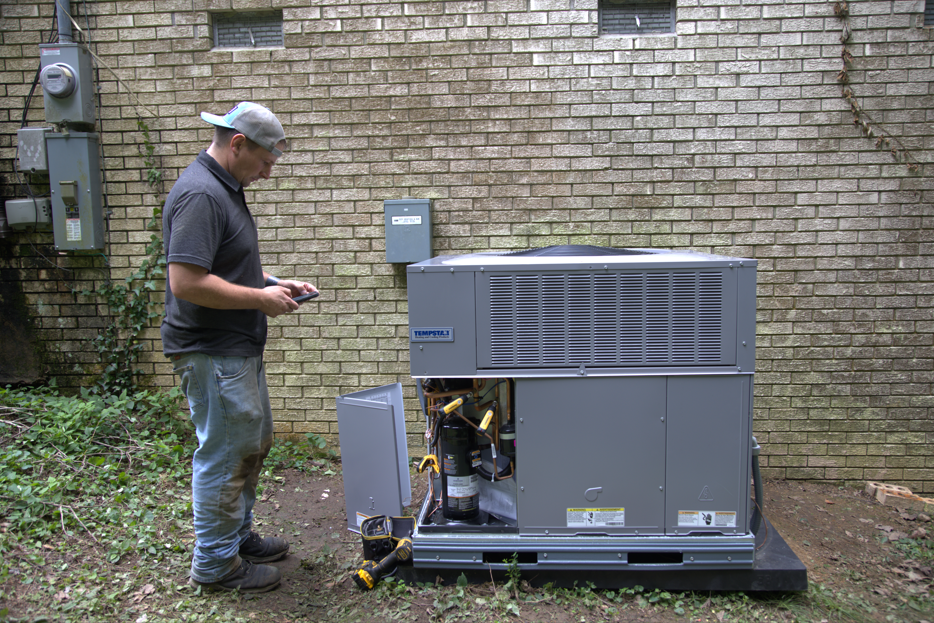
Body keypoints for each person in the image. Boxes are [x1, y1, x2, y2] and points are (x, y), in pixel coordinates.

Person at [161, 101, 317, 593]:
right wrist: (259, 299)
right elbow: (185, 281)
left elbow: (219, 265)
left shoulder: (225, 188)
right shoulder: (202, 195)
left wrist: (272, 282)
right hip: (212, 350)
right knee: (226, 456)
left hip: (235, 348)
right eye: (265, 163)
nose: (267, 174)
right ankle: (215, 566)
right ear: (237, 144)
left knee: (250, 445)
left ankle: (235, 538)